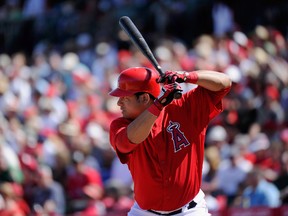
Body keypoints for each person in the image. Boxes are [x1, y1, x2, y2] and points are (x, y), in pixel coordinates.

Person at [109, 67, 231, 215]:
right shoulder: (120, 125)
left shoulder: (185, 107)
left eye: (125, 98)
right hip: (145, 212)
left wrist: (186, 76)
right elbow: (130, 139)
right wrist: (158, 105)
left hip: (190, 210)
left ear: (144, 98)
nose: (119, 103)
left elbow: (224, 83)